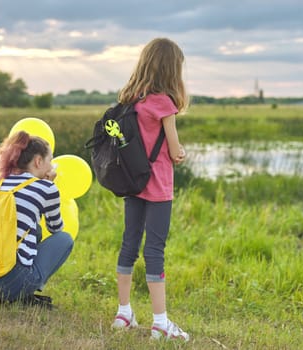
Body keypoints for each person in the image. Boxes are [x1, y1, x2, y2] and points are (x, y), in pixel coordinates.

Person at [110, 38, 189, 341]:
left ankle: (124, 312)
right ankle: (160, 323)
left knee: (129, 244)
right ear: (172, 69)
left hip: (133, 184)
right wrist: (181, 153)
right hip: (158, 188)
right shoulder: (164, 104)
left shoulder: (131, 99)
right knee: (154, 250)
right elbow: (173, 151)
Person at [0, 131, 74, 307]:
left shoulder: (0, 182)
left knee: (34, 230)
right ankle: (22, 291)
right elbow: (56, 228)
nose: (52, 165)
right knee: (65, 239)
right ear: (38, 161)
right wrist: (50, 185)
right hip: (12, 284)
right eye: (50, 159)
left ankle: (9, 291)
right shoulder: (46, 187)